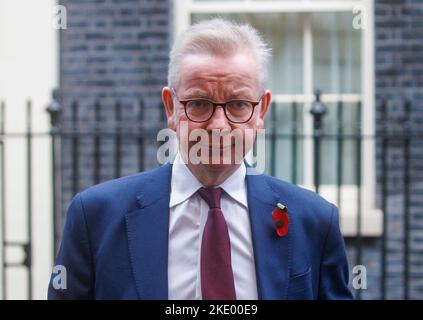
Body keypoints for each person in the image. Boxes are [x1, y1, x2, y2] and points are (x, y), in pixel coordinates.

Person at [48, 18, 353, 300]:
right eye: (198, 103)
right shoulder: (96, 218)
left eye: (237, 104)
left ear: (261, 111)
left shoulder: (314, 221)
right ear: (171, 107)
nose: (218, 126)